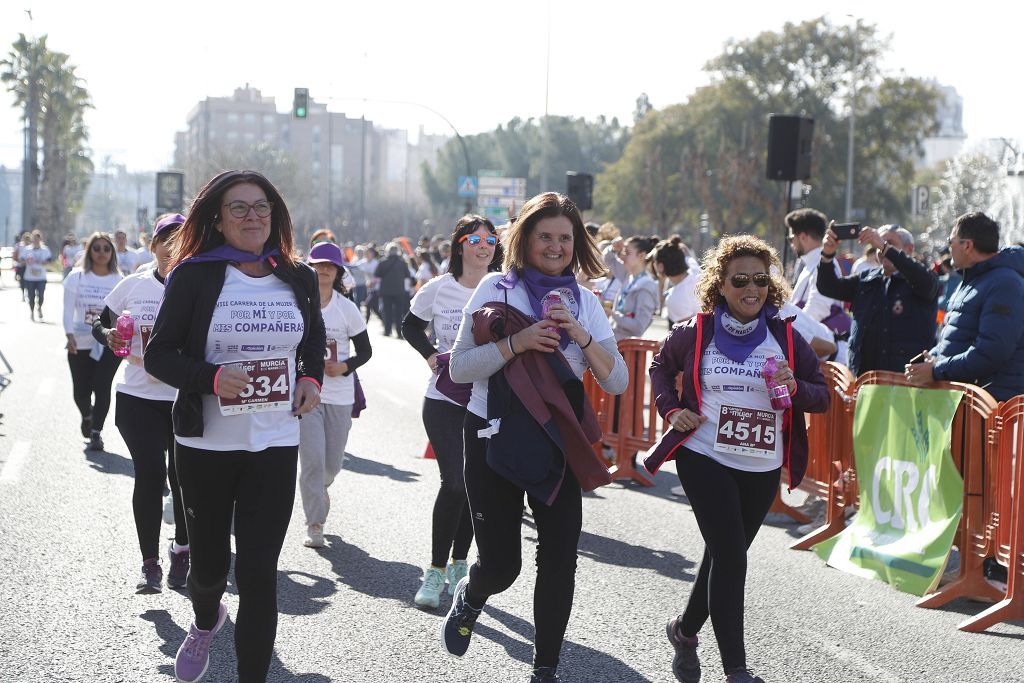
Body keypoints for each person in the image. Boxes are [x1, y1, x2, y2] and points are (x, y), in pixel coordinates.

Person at [144, 170, 325, 683]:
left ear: (275, 214)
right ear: (218, 220)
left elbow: (311, 343)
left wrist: (310, 379)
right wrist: (212, 378)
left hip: (275, 440)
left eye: (261, 206)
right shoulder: (195, 274)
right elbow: (159, 354)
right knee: (208, 570)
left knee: (259, 574)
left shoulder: (299, 275)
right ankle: (205, 621)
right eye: (239, 208)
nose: (253, 216)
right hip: (206, 443)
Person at [444, 192, 628, 682]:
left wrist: (583, 338)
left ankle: (544, 666)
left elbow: (618, 380)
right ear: (523, 239)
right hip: (493, 437)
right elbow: (460, 368)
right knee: (503, 565)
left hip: (558, 443)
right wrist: (516, 343)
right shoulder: (493, 289)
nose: (554, 246)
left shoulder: (585, 302)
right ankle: (473, 594)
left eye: (565, 238)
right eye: (544, 235)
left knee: (560, 560)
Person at [644, 235, 829, 683]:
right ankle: (737, 670)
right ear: (720, 286)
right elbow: (658, 367)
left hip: (760, 465)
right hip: (704, 455)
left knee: (723, 556)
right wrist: (672, 408)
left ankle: (684, 632)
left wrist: (795, 388)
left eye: (760, 279)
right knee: (732, 559)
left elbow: (820, 396)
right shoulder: (696, 331)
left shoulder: (786, 335)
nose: (752, 289)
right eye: (740, 280)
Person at [401, 215, 502, 610]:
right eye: (475, 238)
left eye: (490, 239)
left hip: (488, 400)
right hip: (444, 399)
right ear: (460, 244)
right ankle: (435, 570)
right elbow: (410, 325)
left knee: (475, 485)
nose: (483, 245)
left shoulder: (504, 287)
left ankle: (461, 563)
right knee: (455, 482)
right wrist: (430, 356)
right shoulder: (439, 289)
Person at [92, 214, 190, 593]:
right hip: (138, 397)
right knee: (149, 475)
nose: (172, 246)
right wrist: (110, 335)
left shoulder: (200, 287)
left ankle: (182, 548)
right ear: (153, 246)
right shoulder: (132, 285)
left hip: (185, 397)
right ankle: (150, 563)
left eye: (181, 239)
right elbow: (99, 324)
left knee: (183, 480)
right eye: (166, 239)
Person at [299, 241, 372, 548]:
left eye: (329, 266)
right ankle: (315, 523)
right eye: (318, 265)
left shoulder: (347, 309)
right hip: (307, 394)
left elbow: (366, 351)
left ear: (338, 271)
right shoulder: (298, 303)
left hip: (340, 394)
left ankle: (322, 486)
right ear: (310, 269)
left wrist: (344, 365)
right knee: (312, 461)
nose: (324, 270)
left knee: (331, 465)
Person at [906, 212, 1024, 401]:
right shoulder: (972, 279)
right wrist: (932, 358)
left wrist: (936, 371)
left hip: (990, 409)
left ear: (967, 245)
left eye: (950, 240)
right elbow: (958, 338)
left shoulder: (1004, 283)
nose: (948, 247)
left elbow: (992, 351)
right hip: (965, 404)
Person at [816, 224, 939, 375]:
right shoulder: (866, 278)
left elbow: (927, 284)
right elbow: (828, 287)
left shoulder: (922, 279)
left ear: (909, 249)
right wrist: (827, 254)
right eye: (878, 245)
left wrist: (884, 246)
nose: (882, 250)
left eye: (890, 244)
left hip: (906, 383)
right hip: (865, 381)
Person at [62, 232, 123, 451]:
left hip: (108, 341)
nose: (101, 253)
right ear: (89, 251)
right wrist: (69, 335)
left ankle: (96, 431)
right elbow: (68, 310)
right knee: (81, 391)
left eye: (107, 249)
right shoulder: (76, 277)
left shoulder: (119, 280)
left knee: (102, 385)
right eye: (96, 248)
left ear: (112, 253)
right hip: (80, 341)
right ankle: (87, 415)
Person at [611, 235, 661, 340]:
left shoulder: (647, 285)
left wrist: (613, 314)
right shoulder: (628, 276)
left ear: (641, 255)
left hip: (627, 349)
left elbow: (639, 326)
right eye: (623, 252)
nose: (622, 256)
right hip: (615, 343)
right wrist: (614, 248)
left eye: (627, 253)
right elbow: (608, 260)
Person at [651, 237, 699, 326]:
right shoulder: (695, 269)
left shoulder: (674, 298)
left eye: (654, 261)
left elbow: (687, 333)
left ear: (661, 266)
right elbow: (686, 253)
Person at [375, 242, 413, 337]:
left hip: (386, 290)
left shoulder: (382, 262)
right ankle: (399, 332)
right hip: (399, 291)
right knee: (398, 312)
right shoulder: (402, 262)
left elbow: (377, 274)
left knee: (387, 311)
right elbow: (407, 275)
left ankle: (387, 331)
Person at [19, 229, 52, 321]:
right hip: (29, 277)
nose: (36, 240)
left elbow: (49, 260)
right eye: (34, 238)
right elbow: (21, 260)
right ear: (32, 239)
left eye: (38, 238)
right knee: (31, 296)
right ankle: (32, 311)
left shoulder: (45, 249)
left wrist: (44, 262)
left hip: (41, 277)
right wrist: (26, 261)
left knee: (41, 296)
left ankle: (39, 307)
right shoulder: (27, 249)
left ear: (40, 239)